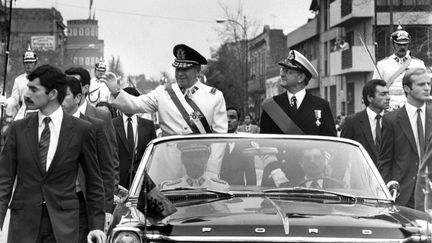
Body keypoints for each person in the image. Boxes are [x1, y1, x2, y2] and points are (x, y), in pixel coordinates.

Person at [0, 65, 106, 243]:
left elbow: (94, 182)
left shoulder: (81, 130)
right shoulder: (17, 129)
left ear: (53, 94)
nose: (26, 95)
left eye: (34, 89)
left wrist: (96, 225)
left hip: (63, 226)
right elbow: (4, 180)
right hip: (23, 225)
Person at [101, 44, 228, 136]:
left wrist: (211, 171)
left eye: (185, 69)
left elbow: (220, 140)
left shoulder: (214, 96)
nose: (180, 74)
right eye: (178, 69)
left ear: (197, 70)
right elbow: (135, 105)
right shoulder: (163, 92)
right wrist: (116, 91)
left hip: (202, 166)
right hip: (169, 166)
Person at [62, 76, 115, 242]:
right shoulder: (50, 126)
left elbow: (106, 170)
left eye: (64, 96)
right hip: (55, 201)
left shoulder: (94, 127)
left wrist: (106, 209)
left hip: (82, 202)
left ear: (77, 98)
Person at [378, 68, 431, 209]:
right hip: (404, 196)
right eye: (421, 85)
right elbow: (385, 161)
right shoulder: (391, 120)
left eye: (429, 84)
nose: (427, 88)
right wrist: (388, 194)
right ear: (407, 88)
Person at [65, 66, 120, 193]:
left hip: (91, 195)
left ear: (85, 88)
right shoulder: (58, 117)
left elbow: (111, 160)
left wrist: (111, 195)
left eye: (74, 83)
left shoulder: (101, 117)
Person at [260, 50, 336, 136]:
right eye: (283, 70)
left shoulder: (321, 106)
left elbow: (330, 145)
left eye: (288, 71)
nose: (282, 74)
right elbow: (264, 144)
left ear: (301, 77)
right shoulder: (272, 106)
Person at [373, 25, 427, 110]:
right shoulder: (382, 64)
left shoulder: (418, 64)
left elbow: (424, 86)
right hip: (390, 105)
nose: (402, 47)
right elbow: (375, 88)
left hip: (412, 104)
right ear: (393, 44)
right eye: (399, 44)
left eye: (405, 44)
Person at [112, 87, 156, 189]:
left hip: (142, 180)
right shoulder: (111, 124)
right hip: (119, 181)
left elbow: (153, 154)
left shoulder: (148, 125)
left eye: (131, 102)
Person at [341, 79, 390, 165]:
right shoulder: (352, 122)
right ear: (370, 98)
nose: (388, 98)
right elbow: (343, 153)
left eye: (388, 93)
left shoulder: (394, 119)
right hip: (362, 174)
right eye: (383, 94)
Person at [161, 144, 230, 191]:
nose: (194, 161)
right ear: (182, 159)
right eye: (189, 156)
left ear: (207, 158)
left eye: (199, 156)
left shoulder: (220, 188)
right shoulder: (170, 189)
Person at [220, 106, 256, 185]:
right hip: (217, 191)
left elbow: (250, 172)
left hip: (238, 191)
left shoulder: (245, 143)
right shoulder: (215, 142)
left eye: (232, 117)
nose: (228, 120)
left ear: (239, 122)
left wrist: (251, 193)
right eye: (225, 117)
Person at [0, 46, 38, 120]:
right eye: (26, 63)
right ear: (23, 64)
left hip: (39, 110)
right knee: (15, 126)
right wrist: (6, 102)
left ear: (35, 63)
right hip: (23, 112)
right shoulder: (18, 80)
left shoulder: (42, 78)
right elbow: (14, 99)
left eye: (31, 62)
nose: (28, 65)